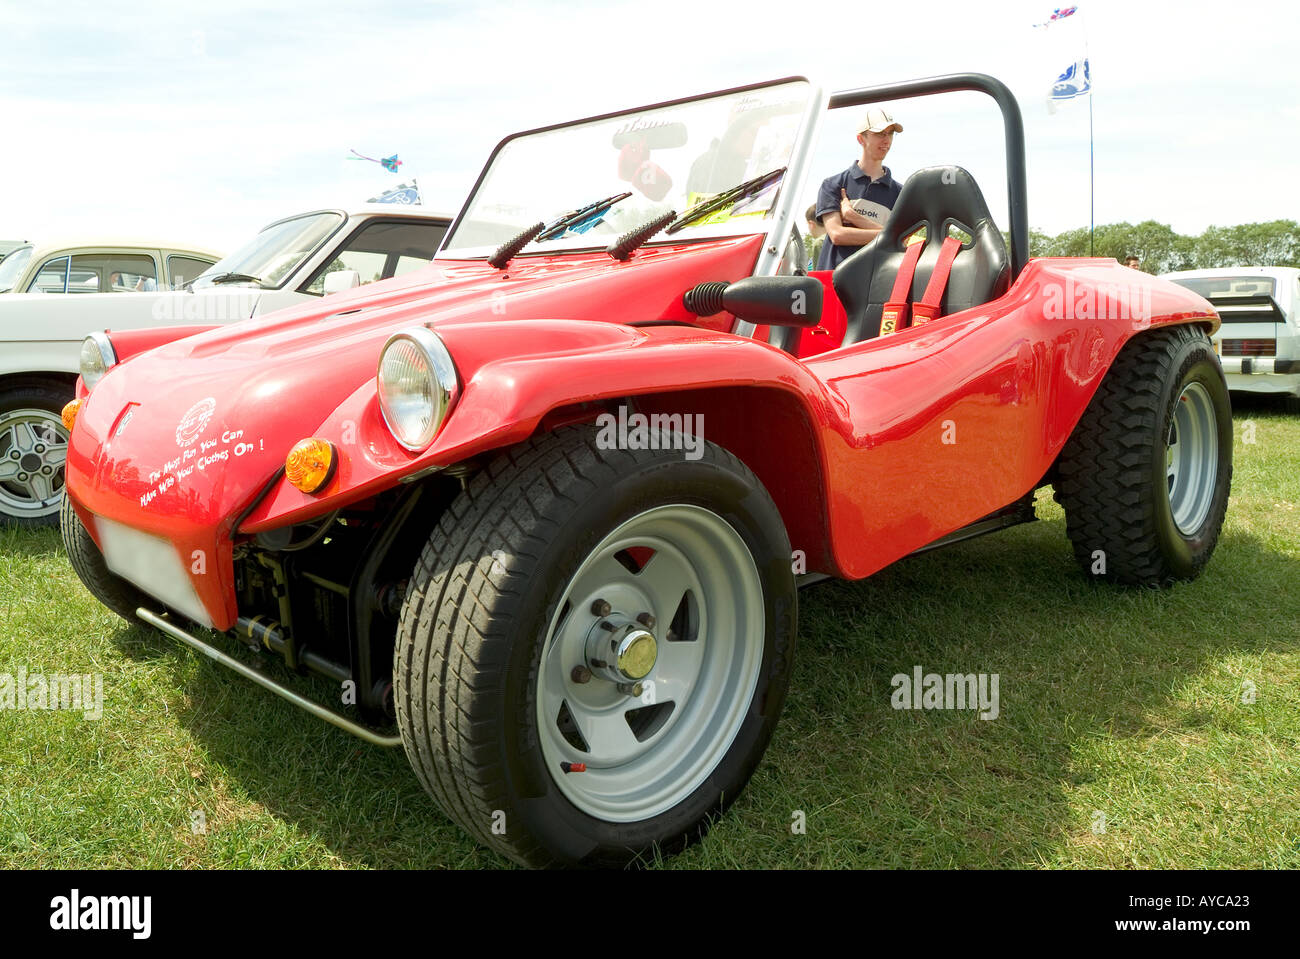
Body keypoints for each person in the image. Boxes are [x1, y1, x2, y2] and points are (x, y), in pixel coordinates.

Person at [813, 108, 903, 270]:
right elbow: (837, 235)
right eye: (880, 133)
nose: (886, 140)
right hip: (834, 282)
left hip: (878, 284)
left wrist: (853, 217)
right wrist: (887, 235)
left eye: (890, 133)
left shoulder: (901, 193)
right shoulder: (832, 184)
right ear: (861, 139)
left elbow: (903, 241)